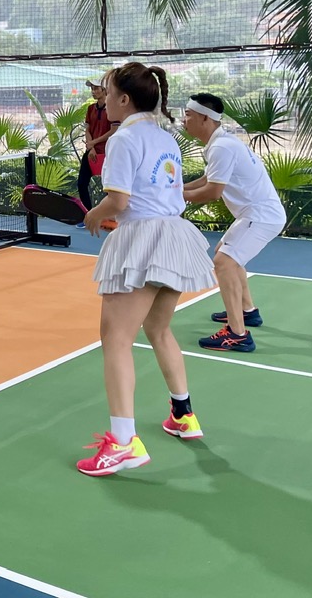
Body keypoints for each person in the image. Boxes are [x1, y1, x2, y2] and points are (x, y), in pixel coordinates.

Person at [75, 63, 216, 477]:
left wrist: (93, 217)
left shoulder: (124, 138)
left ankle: (122, 443)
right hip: (174, 238)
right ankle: (183, 414)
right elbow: (158, 192)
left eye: (108, 91)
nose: (103, 97)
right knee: (158, 329)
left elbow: (117, 201)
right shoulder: (165, 137)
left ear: (123, 100)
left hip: (143, 241)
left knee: (116, 339)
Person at [181, 93, 286, 353]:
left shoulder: (221, 147)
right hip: (255, 214)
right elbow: (208, 178)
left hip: (260, 216)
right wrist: (177, 188)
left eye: (189, 115)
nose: (184, 120)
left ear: (205, 118)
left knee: (224, 262)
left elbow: (213, 192)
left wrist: (175, 197)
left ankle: (238, 334)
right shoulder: (221, 143)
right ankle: (247, 311)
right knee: (226, 256)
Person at [76, 79, 117, 217]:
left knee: (110, 187)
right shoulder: (90, 109)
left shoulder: (112, 108)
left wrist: (94, 143)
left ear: (105, 90)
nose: (93, 91)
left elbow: (113, 130)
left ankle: (109, 217)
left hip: (108, 153)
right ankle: (87, 215)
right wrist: (91, 147)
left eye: (96, 88)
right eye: (92, 88)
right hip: (91, 153)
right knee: (81, 183)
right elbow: (87, 130)